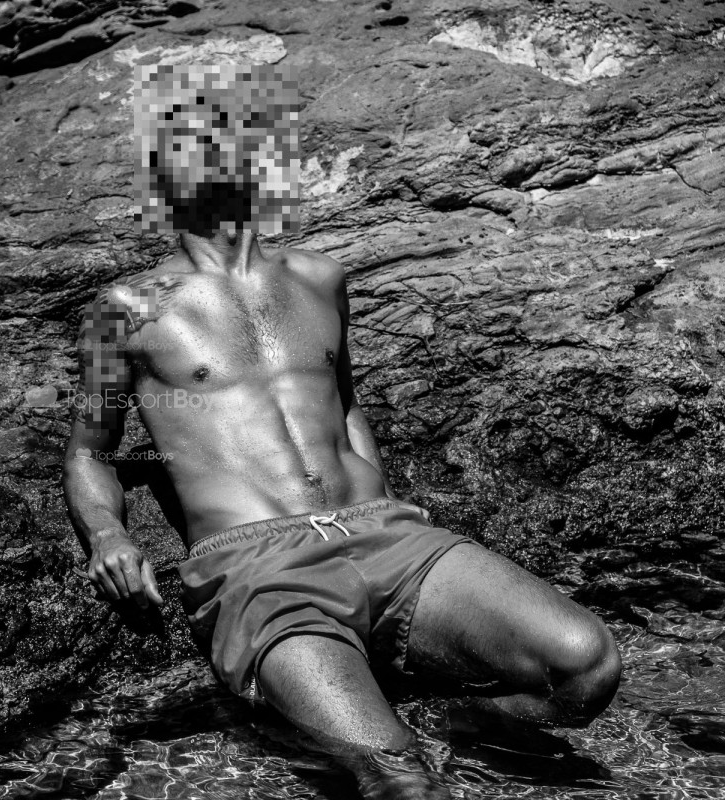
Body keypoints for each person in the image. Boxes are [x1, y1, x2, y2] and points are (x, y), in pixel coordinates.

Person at [61, 64, 621, 799]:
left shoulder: (321, 278)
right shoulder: (126, 310)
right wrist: (107, 536)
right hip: (262, 569)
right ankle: (384, 733)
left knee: (587, 667)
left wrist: (382, 495)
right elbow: (90, 451)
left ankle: (453, 726)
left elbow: (345, 403)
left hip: (387, 537)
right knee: (400, 780)